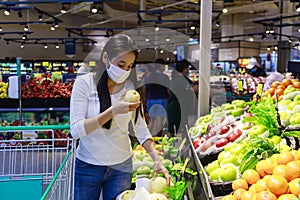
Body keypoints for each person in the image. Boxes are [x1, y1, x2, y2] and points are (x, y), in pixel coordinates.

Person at [70, 34, 171, 200]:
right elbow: (76, 131)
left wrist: (156, 159)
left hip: (121, 167)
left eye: (129, 66)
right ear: (105, 58)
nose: (124, 71)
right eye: (120, 64)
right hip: (88, 166)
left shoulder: (131, 87)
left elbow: (140, 128)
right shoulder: (85, 84)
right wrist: (112, 111)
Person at [167, 59, 197, 136]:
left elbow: (169, 91)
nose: (188, 69)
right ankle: (183, 146)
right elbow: (194, 90)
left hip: (171, 105)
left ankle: (168, 145)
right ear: (184, 69)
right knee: (183, 128)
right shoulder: (183, 79)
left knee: (171, 129)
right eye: (187, 68)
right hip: (179, 107)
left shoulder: (174, 78)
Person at [142, 59, 169, 136]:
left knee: (151, 120)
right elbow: (168, 90)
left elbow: (144, 90)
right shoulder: (165, 77)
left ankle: (148, 137)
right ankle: (158, 138)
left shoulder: (148, 76)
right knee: (160, 120)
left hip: (150, 100)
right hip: (162, 100)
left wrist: (144, 100)